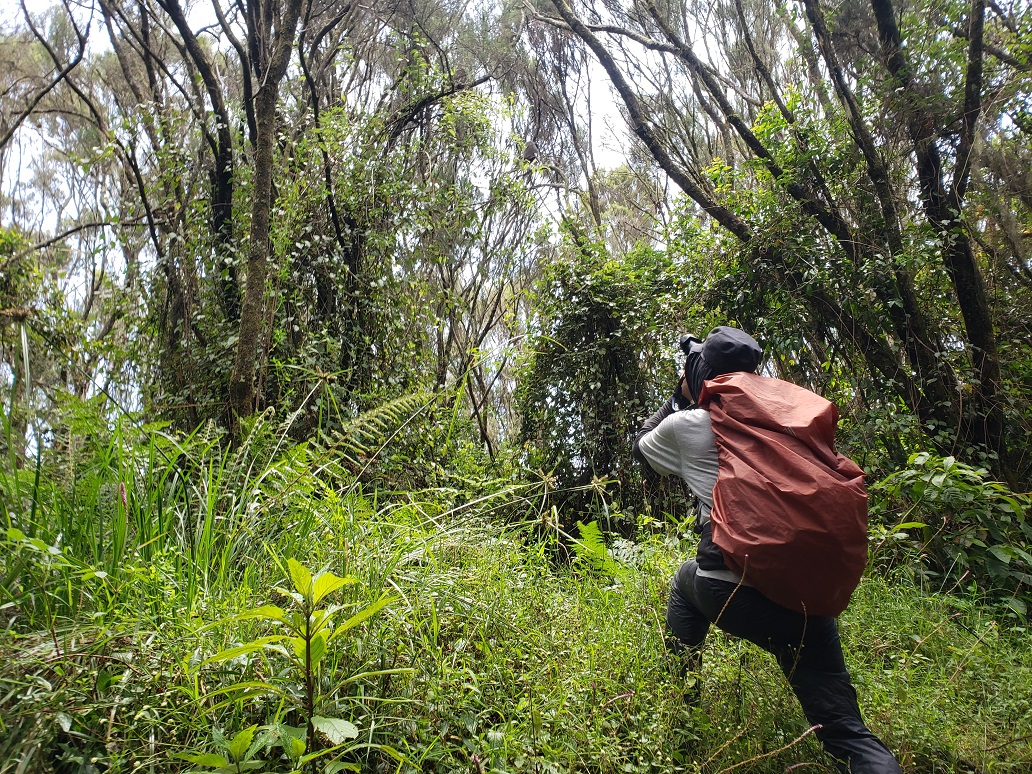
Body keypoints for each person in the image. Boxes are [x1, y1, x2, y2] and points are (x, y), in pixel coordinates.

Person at [633, 326, 902, 774]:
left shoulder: (691, 425)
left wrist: (680, 394)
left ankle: (680, 708)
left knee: (684, 585)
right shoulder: (791, 416)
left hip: (733, 589)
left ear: (702, 376)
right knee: (846, 731)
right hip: (807, 600)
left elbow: (641, 445)